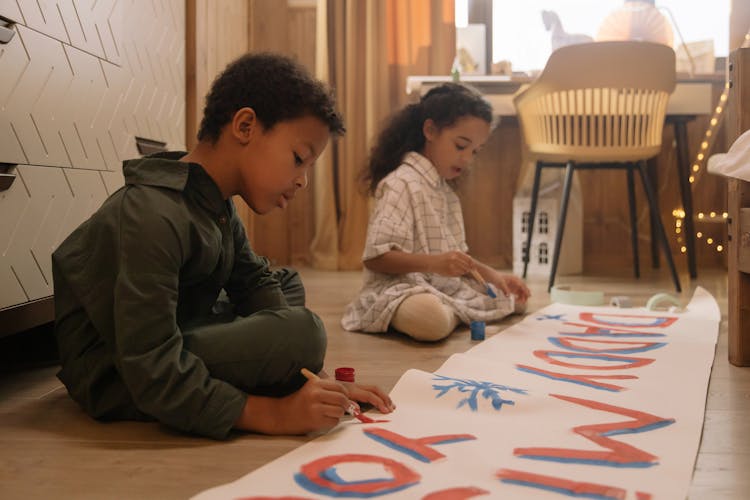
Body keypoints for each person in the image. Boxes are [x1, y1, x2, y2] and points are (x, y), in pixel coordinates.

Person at [52, 52, 394, 440]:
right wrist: (273, 414)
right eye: (298, 159)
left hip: (177, 328)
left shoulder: (214, 201)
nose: (302, 181)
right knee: (304, 333)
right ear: (245, 125)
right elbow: (148, 361)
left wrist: (322, 381)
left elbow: (253, 281)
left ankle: (271, 367)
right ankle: (226, 391)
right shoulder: (153, 213)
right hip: (120, 371)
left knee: (283, 286)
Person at [342, 83, 531, 342]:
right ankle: (457, 314)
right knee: (431, 318)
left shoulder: (447, 193)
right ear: (430, 130)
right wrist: (434, 263)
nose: (467, 159)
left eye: (475, 151)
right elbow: (376, 258)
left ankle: (456, 313)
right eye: (460, 145)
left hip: (439, 287)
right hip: (400, 289)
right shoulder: (400, 183)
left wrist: (496, 277)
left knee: (514, 298)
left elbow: (460, 261)